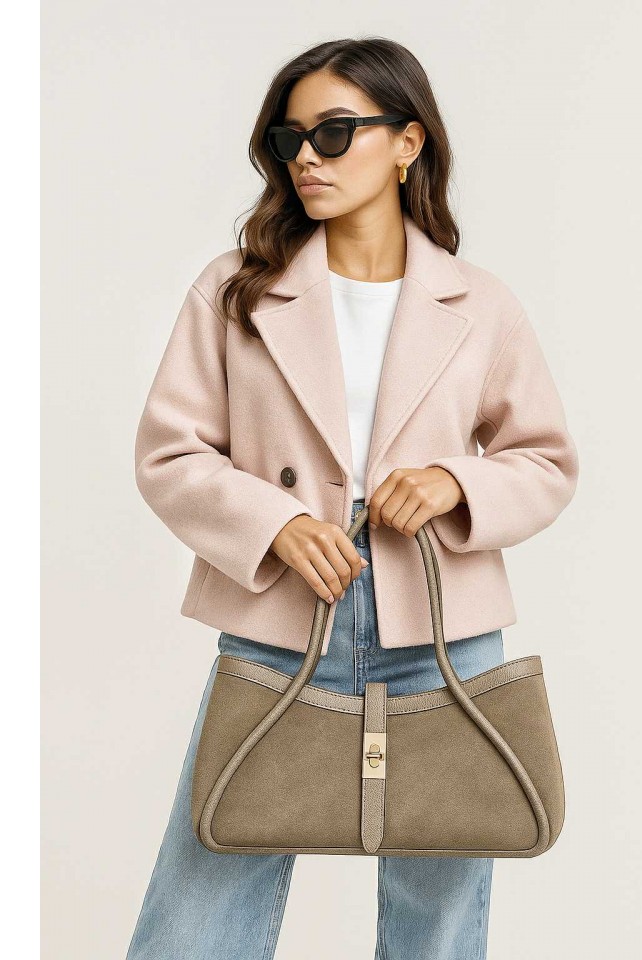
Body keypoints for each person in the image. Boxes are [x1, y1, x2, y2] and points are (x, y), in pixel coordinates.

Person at [127, 37, 579, 960]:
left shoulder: (481, 304)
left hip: (443, 632)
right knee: (202, 897)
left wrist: (456, 482)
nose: (307, 157)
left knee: (438, 911)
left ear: (408, 143)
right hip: (279, 622)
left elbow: (545, 460)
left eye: (334, 133)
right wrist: (278, 523)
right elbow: (169, 453)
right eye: (289, 137)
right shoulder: (237, 291)